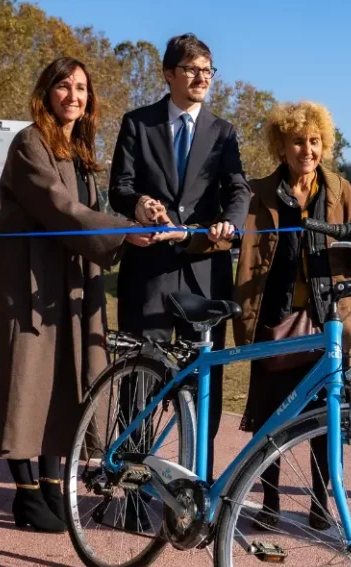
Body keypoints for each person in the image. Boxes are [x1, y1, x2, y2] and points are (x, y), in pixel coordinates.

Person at [0, 56, 179, 533]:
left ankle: (48, 485)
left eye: (81, 88)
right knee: (25, 381)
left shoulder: (79, 148)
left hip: (75, 284)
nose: (73, 96)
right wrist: (124, 231)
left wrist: (138, 217)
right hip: (31, 285)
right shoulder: (30, 143)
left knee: (66, 382)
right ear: (47, 92)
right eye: (64, 86)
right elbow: (60, 209)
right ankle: (24, 494)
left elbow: (88, 210)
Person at [206, 100, 351, 531]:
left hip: (328, 320)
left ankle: (321, 500)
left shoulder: (340, 190)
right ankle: (270, 502)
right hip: (273, 318)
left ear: (325, 144)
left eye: (314, 141)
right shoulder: (258, 192)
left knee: (324, 417)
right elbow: (231, 239)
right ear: (281, 145)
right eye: (297, 141)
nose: (307, 149)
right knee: (271, 419)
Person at [108, 33, 250, 481]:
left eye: (208, 70)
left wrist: (231, 220)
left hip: (205, 275)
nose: (201, 77)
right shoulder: (137, 123)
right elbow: (120, 187)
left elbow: (239, 188)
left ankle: (196, 484)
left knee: (203, 384)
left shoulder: (224, 132)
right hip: (147, 273)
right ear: (169, 74)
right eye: (191, 69)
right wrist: (140, 205)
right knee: (141, 381)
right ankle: (130, 485)